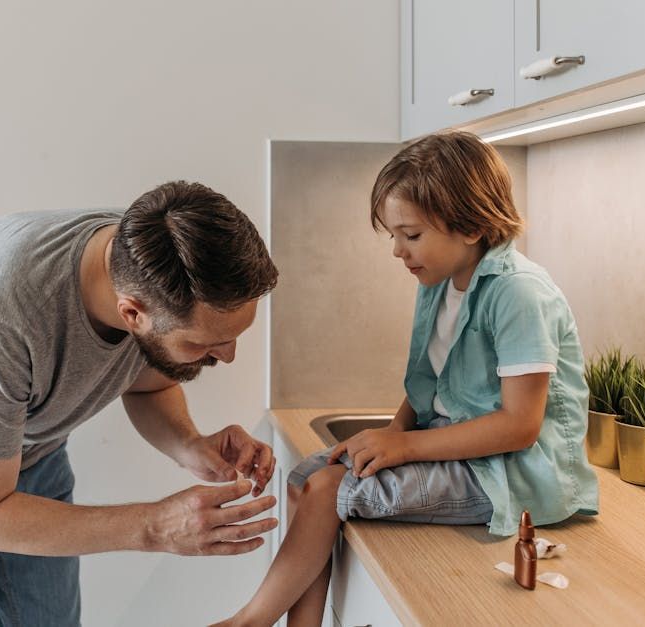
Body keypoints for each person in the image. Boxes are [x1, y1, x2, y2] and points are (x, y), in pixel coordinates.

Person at [215, 132, 599, 626]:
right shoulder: (438, 284)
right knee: (305, 477)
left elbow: (520, 426)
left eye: (411, 235)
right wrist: (396, 433)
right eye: (393, 235)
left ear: (470, 225)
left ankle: (248, 622)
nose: (398, 250)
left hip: (512, 474)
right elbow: (427, 388)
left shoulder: (518, 295)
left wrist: (406, 448)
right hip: (463, 450)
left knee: (332, 487)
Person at [0, 180, 282, 626]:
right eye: (206, 343)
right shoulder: (3, 316)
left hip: (32, 440)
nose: (228, 355)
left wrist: (189, 444)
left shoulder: (154, 263)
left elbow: (149, 383)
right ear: (132, 314)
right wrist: (156, 526)